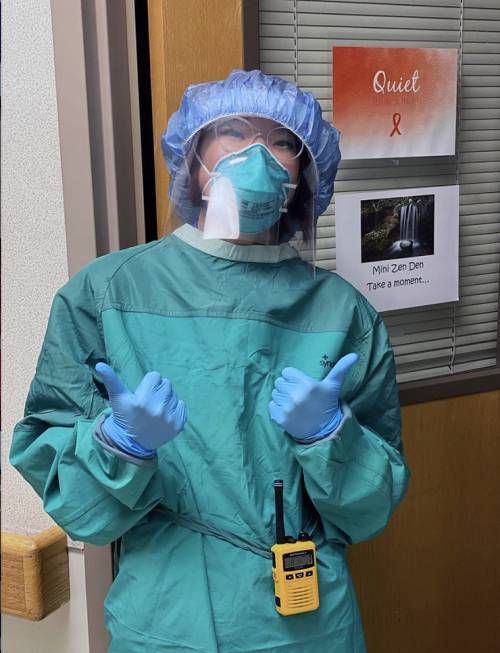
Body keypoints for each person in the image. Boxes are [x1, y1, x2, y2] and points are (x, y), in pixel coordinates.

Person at [10, 69, 410, 652]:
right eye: (234, 132)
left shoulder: (342, 312)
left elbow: (369, 509)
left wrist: (331, 437)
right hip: (169, 618)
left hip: (307, 623)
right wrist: (119, 443)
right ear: (193, 160)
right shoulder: (108, 292)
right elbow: (79, 510)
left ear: (302, 176)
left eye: (281, 143)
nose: (258, 156)